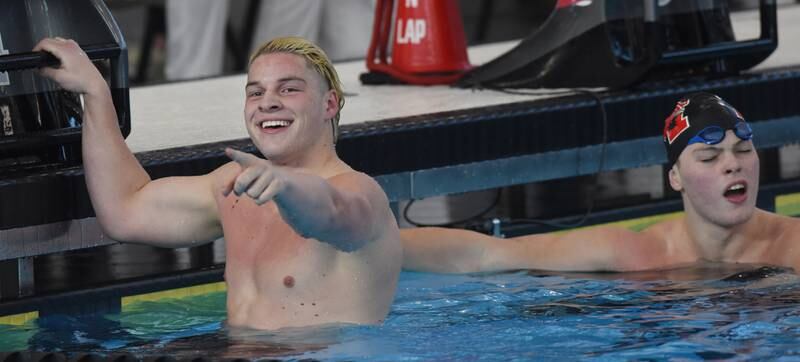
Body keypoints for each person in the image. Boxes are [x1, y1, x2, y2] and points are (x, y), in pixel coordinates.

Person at [33, 36, 402, 330]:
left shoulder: (361, 193)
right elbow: (124, 211)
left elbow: (331, 215)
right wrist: (94, 92)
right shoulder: (235, 186)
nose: (267, 102)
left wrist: (288, 185)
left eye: (289, 89)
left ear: (329, 105)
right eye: (255, 92)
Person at [401, 92, 800, 274]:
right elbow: (487, 256)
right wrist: (372, 238)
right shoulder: (635, 254)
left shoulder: (792, 246)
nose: (733, 165)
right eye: (711, 157)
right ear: (674, 178)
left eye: (744, 150)